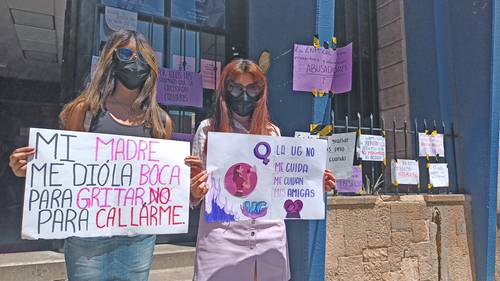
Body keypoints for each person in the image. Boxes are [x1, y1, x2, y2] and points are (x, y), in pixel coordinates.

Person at [9, 29, 194, 281]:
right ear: (110, 58)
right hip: (88, 237)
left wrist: (187, 184)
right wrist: (30, 169)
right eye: (127, 53)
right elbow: (63, 168)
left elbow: (162, 180)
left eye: (143, 57)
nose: (135, 62)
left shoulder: (160, 121)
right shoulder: (84, 112)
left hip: (138, 236)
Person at [188, 59, 336, 281]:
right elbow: (193, 196)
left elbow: (282, 185)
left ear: (261, 92)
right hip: (222, 237)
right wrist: (195, 191)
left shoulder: (272, 132)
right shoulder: (207, 130)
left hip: (269, 238)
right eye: (236, 88)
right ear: (224, 90)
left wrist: (314, 183)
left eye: (252, 88)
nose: (244, 95)